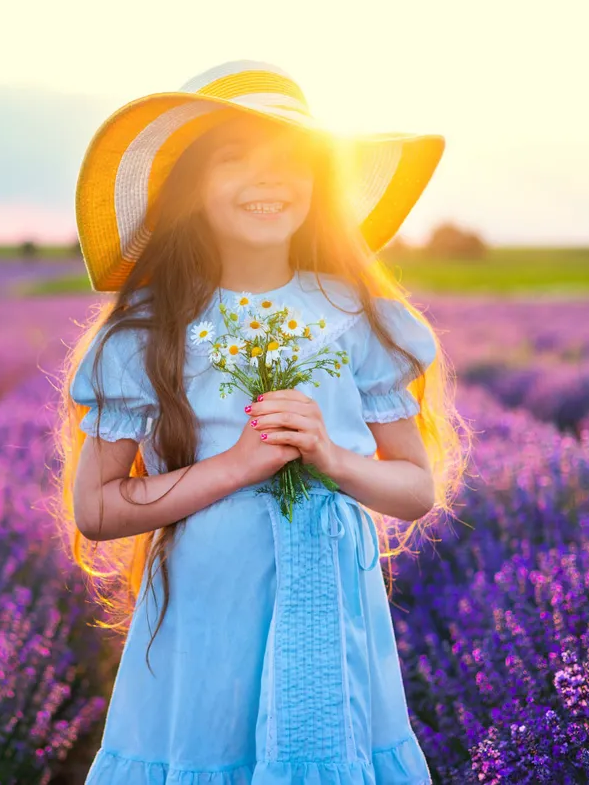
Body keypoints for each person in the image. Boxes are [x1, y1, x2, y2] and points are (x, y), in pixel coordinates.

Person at [51, 60, 470, 784]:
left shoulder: (359, 317)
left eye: (289, 161)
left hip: (331, 611)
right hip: (209, 611)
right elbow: (96, 508)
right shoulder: (148, 331)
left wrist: (332, 457)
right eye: (233, 159)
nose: (265, 179)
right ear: (190, 188)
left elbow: (413, 488)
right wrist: (239, 465)